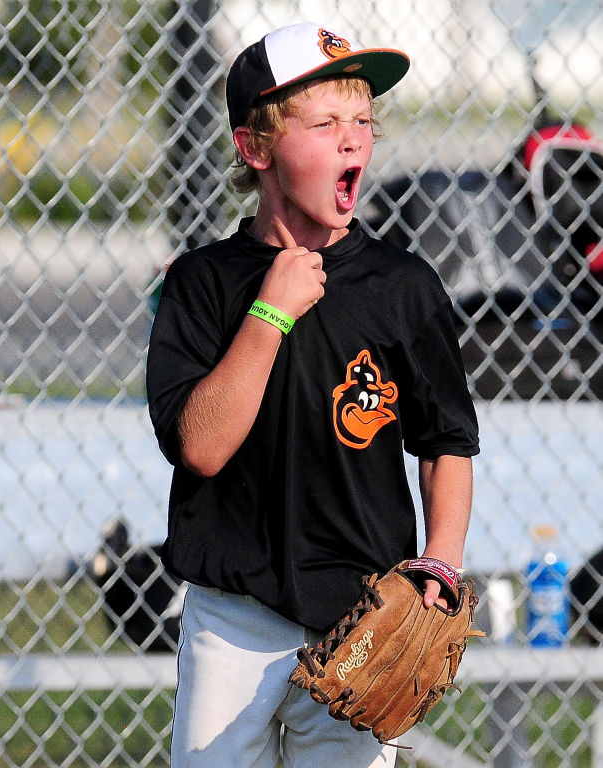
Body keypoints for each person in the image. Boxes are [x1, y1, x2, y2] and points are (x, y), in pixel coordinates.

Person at [146, 20, 479, 768]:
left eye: (363, 121)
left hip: (364, 618)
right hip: (235, 618)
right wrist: (270, 312)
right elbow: (201, 446)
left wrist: (441, 563)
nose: (353, 140)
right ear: (255, 148)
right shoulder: (202, 284)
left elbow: (446, 441)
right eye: (324, 123)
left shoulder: (404, 288)